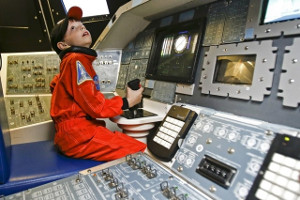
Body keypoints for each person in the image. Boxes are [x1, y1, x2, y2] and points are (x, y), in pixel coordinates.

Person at [49, 6, 146, 161]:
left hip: (72, 134)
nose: (81, 26)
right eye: (73, 28)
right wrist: (127, 102)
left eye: (82, 25)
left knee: (122, 140)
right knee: (139, 149)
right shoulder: (76, 60)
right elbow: (96, 106)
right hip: (79, 135)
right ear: (63, 45)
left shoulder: (71, 63)